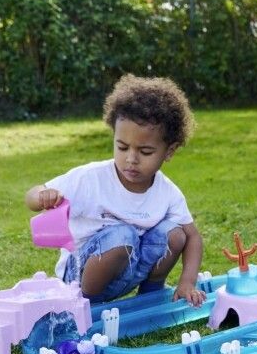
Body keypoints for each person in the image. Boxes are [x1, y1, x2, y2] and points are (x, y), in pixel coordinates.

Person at [25, 74, 206, 308]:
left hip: (128, 271)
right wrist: (41, 196)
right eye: (122, 147)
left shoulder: (167, 192)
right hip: (80, 276)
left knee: (175, 233)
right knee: (123, 235)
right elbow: (31, 197)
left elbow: (192, 237)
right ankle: (89, 305)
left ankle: (150, 296)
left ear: (169, 152)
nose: (131, 159)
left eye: (146, 151)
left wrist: (187, 282)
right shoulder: (90, 178)